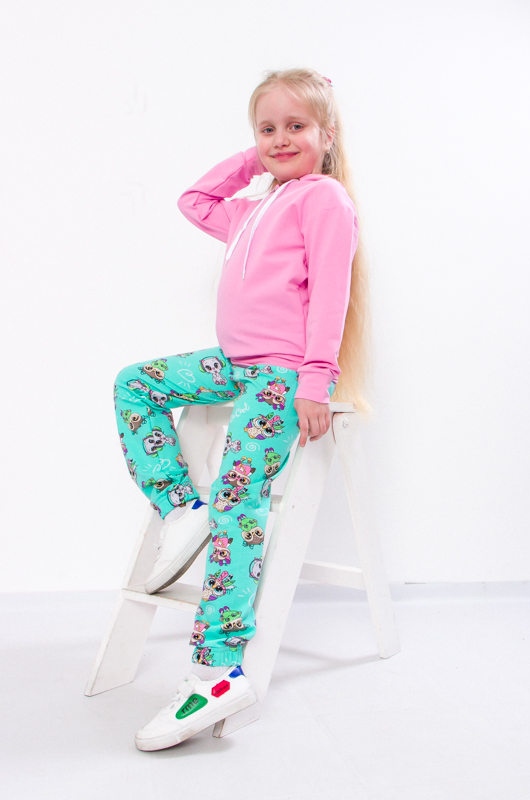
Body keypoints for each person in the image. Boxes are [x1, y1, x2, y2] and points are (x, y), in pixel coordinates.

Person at [113, 66, 371, 751]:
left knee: (239, 500)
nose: (280, 139)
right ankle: (181, 509)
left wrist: (316, 380)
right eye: (267, 129)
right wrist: (257, 161)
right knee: (135, 384)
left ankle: (218, 671)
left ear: (327, 134)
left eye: (296, 126)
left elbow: (332, 293)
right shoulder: (252, 207)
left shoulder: (323, 198)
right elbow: (194, 200)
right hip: (235, 363)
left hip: (281, 376)